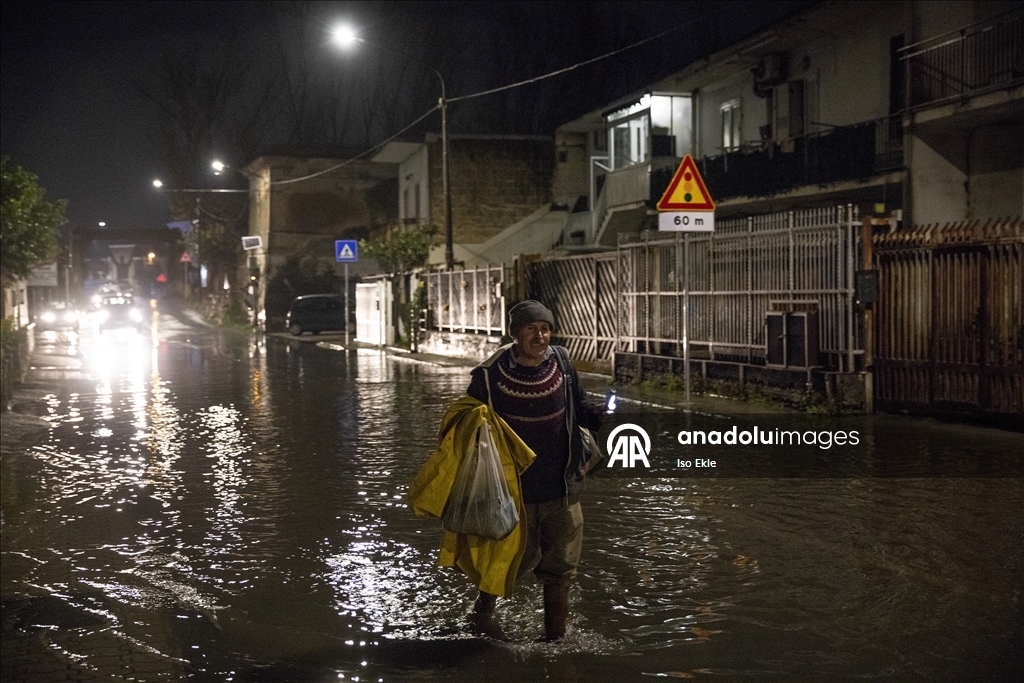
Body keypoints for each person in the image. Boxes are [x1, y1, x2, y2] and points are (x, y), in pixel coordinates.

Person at [466, 300, 603, 641]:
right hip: (514, 492)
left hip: (563, 486)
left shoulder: (562, 362)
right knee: (509, 560)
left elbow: (579, 406)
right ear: (515, 334)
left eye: (545, 329)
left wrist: (595, 415)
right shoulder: (489, 374)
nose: (540, 336)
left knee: (562, 569)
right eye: (531, 329)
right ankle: (482, 613)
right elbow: (470, 428)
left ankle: (555, 640)